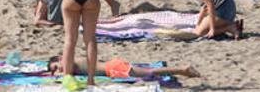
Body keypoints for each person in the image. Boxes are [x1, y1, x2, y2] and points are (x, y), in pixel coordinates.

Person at [47, 56, 200, 79]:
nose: (57, 70)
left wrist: (58, 75)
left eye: (56, 66)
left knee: (149, 72)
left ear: (60, 58)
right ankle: (181, 70)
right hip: (113, 67)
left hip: (113, 68)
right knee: (146, 72)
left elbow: (67, 73)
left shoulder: (71, 61)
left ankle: (182, 69)